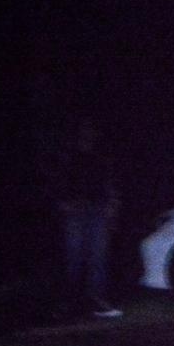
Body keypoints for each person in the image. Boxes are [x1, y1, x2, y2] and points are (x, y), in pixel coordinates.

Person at [50, 115, 123, 319]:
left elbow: (109, 184)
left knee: (98, 259)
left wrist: (111, 209)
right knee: (74, 259)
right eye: (84, 130)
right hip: (75, 212)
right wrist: (62, 203)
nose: (88, 134)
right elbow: (58, 182)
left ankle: (97, 300)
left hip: (97, 211)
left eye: (91, 130)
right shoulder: (69, 156)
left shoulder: (101, 157)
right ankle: (68, 302)